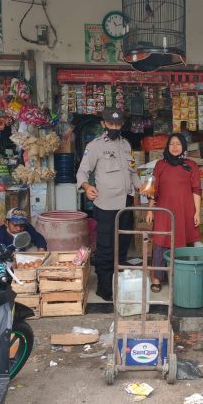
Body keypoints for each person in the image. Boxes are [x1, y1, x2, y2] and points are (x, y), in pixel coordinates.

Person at [76, 108, 140, 301]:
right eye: (111, 124)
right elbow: (82, 172)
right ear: (103, 124)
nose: (114, 127)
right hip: (106, 205)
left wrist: (142, 187)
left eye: (118, 124)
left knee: (122, 245)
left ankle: (118, 283)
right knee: (105, 247)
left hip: (126, 204)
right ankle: (104, 289)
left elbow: (133, 172)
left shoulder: (126, 145)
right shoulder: (94, 146)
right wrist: (87, 187)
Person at [145, 134, 201, 292]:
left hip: (185, 211)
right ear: (167, 147)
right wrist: (150, 210)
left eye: (178, 144)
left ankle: (183, 277)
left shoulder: (191, 165)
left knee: (184, 243)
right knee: (160, 242)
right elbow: (153, 190)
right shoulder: (160, 165)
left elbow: (196, 190)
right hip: (163, 210)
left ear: (183, 146)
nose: (175, 147)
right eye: (171, 144)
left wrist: (197, 212)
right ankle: (157, 278)